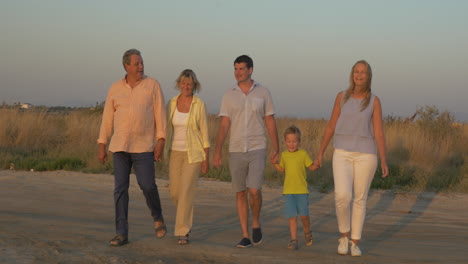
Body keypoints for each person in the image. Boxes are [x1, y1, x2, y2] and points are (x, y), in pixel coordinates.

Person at [315, 60, 389, 256]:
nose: (359, 75)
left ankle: (355, 242)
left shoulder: (374, 101)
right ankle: (344, 236)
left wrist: (383, 159)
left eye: (363, 72)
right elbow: (331, 126)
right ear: (352, 74)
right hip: (342, 153)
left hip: (366, 154)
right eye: (356, 71)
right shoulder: (342, 97)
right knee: (342, 196)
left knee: (360, 199)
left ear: (368, 76)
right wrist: (321, 152)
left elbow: (379, 132)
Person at [97, 49, 168, 246]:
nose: (141, 66)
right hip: (120, 146)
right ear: (127, 66)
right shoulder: (115, 88)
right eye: (137, 64)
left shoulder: (152, 85)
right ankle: (121, 233)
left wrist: (161, 140)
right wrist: (102, 144)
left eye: (142, 63)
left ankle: (157, 216)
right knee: (120, 189)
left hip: (144, 146)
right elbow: (107, 118)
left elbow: (160, 114)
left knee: (147, 185)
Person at [213, 55, 279, 248]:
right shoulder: (228, 95)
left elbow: (270, 120)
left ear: (250, 70)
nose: (238, 72)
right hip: (236, 149)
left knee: (254, 190)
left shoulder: (263, 92)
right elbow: (224, 124)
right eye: (235, 69)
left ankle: (256, 222)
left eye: (241, 69)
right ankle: (244, 234)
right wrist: (217, 151)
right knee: (240, 192)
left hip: (258, 146)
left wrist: (277, 148)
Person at [167, 69, 210, 245]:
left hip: (193, 153)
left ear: (194, 86)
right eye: (183, 83)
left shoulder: (199, 104)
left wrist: (206, 158)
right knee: (175, 192)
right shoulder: (171, 103)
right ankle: (184, 219)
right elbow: (165, 127)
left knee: (185, 192)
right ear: (179, 84)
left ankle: (182, 231)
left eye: (189, 84)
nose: (186, 86)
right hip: (175, 152)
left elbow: (205, 132)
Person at [271, 125, 319, 250]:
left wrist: (317, 164)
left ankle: (307, 232)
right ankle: (294, 240)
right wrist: (275, 163)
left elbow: (311, 167)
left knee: (304, 216)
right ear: (285, 142)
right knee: (292, 217)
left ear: (299, 141)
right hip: (288, 191)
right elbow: (282, 169)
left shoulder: (303, 154)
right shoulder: (284, 155)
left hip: (302, 191)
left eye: (294, 141)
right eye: (289, 142)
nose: (291, 144)